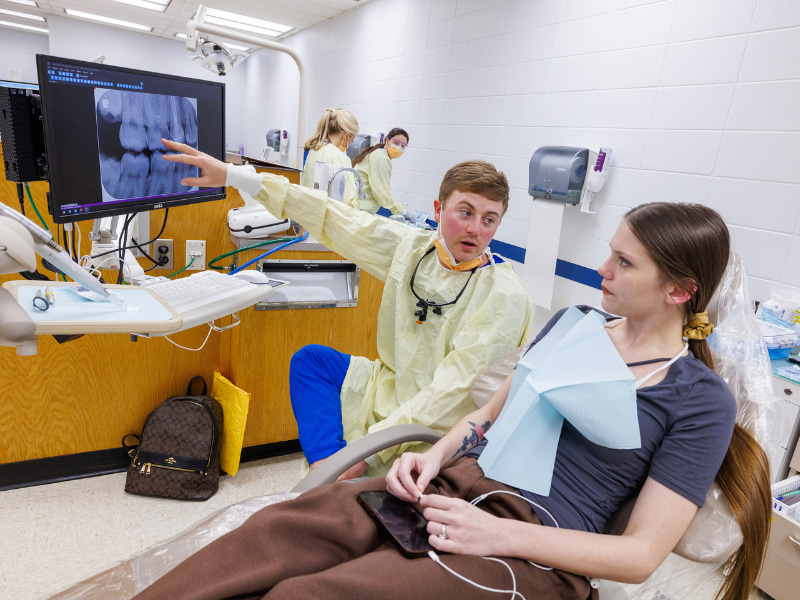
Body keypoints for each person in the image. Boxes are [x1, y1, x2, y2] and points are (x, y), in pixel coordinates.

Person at [131, 200, 771, 600]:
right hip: (449, 492)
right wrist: (431, 460)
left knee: (319, 594)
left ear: (680, 292)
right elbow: (484, 418)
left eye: (624, 264)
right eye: (610, 253)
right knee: (273, 534)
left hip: (527, 543)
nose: (602, 269)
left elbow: (637, 557)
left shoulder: (698, 398)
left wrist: (492, 532)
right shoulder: (572, 324)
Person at [161, 139, 534, 481]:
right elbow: (339, 219)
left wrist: (364, 454)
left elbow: (453, 393)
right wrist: (239, 177)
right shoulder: (416, 250)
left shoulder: (503, 294)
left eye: (489, 219)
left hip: (441, 421)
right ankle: (328, 471)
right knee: (311, 362)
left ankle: (335, 477)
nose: (475, 230)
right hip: (391, 384)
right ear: (439, 209)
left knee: (368, 456)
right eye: (465, 212)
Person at [300, 108, 360, 202]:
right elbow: (349, 200)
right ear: (346, 135)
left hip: (299, 212)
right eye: (351, 140)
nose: (349, 145)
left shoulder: (307, 149)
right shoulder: (339, 157)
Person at [349, 127, 410, 216]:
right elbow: (381, 192)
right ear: (387, 141)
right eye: (396, 143)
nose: (399, 148)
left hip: (357, 206)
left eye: (403, 146)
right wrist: (401, 211)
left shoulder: (378, 153)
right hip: (359, 209)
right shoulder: (381, 157)